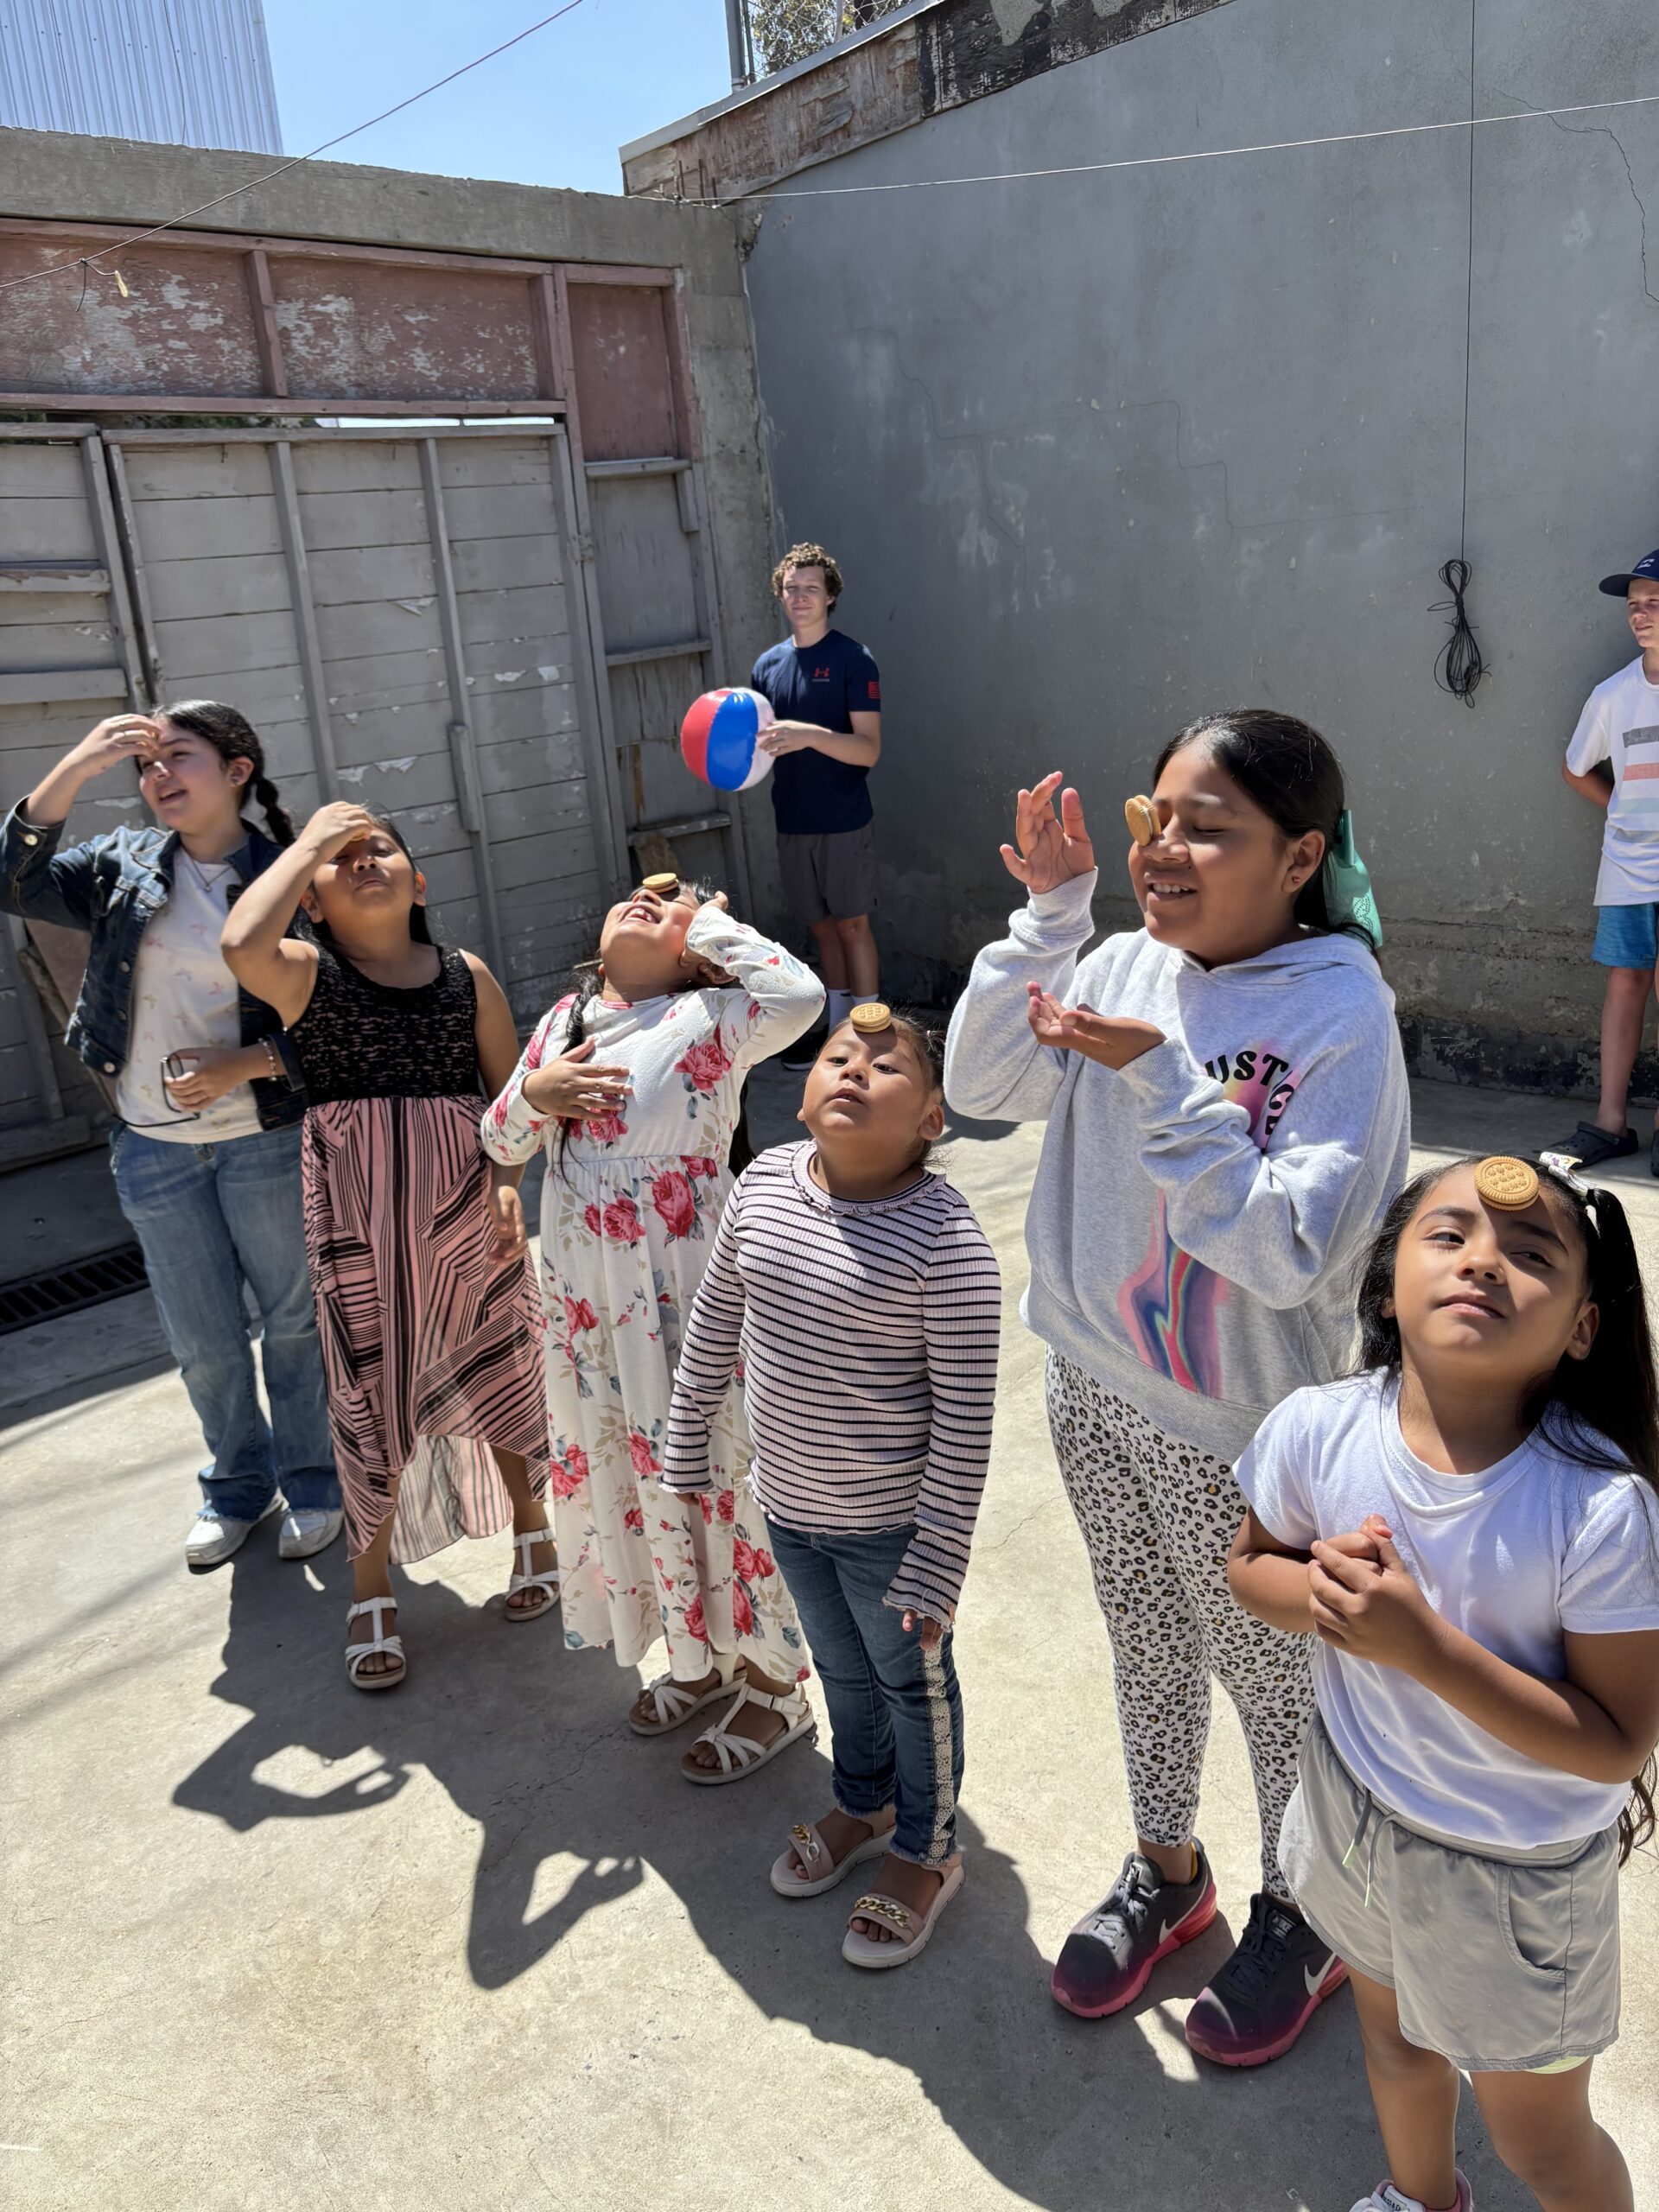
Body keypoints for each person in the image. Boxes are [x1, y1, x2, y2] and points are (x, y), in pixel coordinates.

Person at [944, 711, 1410, 2063]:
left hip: (1238, 1434)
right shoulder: (1118, 960)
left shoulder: (1340, 1015)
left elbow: (1285, 1253)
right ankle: (1168, 1869)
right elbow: (980, 1082)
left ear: (1301, 856)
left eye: (1210, 828)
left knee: (1274, 1689)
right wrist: (1047, 919)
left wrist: (1160, 1080)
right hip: (1093, 1384)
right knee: (1144, 1638)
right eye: (1157, 821)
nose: (1165, 850)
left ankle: (1304, 1910)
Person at [1230, 1154, 1659, 2212]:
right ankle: (1420, 2196)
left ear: (1582, 1328)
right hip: (1355, 1811)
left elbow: (1616, 1742)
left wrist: (1420, 1645)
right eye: (1450, 1233)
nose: (1484, 1261)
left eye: (1531, 1252)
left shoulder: (1600, 1509)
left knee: (1542, 2142)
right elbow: (1251, 1565)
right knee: (1394, 2045)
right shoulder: (1319, 1428)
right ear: (1387, 1285)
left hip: (1512, 1879)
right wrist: (1323, 1595)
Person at [664, 1008, 1000, 1967]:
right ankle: (864, 1801)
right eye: (837, 1056)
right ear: (803, 1094)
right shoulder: (763, 1184)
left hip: (895, 1531)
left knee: (913, 1687)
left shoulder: (947, 1242)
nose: (852, 1070)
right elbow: (715, 1321)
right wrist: (686, 1441)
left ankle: (928, 1851)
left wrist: (937, 1560)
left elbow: (966, 1420)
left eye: (885, 1066)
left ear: (931, 1120)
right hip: (791, 1507)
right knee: (843, 1673)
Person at [481, 874, 824, 1773]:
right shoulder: (564, 1022)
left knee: (724, 1470)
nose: (650, 896)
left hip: (688, 1296)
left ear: (699, 948)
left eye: (674, 904)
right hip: (593, 1316)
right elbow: (501, 1141)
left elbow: (801, 998)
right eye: (635, 894)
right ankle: (700, 1656)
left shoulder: (715, 1014)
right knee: (637, 1478)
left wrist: (712, 925)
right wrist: (536, 1092)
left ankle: (775, 1683)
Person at [220, 801, 552, 1689]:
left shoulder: (466, 976)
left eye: (380, 850)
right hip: (357, 1231)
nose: (363, 861)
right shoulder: (305, 974)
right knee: (366, 1392)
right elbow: (241, 943)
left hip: (466, 1220)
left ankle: (534, 1529)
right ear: (312, 898)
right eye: (341, 858)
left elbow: (510, 1103)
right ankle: (371, 1587)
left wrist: (508, 1184)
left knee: (499, 1366)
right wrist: (307, 843)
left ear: (420, 882)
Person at [0, 704, 340, 1567]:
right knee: (202, 1340)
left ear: (236, 770)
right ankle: (237, 1487)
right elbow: (15, 883)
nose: (157, 775)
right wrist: (78, 764)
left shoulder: (287, 876)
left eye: (178, 757)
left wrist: (246, 1064)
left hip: (265, 1135)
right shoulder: (122, 864)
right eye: (144, 765)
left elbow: (345, 1013)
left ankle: (312, 1478)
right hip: (154, 1144)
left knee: (293, 1322)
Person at [749, 542, 883, 1070]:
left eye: (811, 588)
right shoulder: (767, 666)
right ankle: (838, 1030)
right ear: (780, 595)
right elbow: (760, 745)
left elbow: (868, 750)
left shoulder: (853, 659)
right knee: (823, 929)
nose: (800, 596)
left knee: (852, 926)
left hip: (843, 819)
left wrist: (808, 735)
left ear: (830, 597)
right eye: (791, 588)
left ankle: (872, 1036)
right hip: (793, 818)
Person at [1554, 547, 1659, 1172]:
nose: (1640, 615)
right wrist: (1620, 806)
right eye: (1634, 606)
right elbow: (1575, 768)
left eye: (1654, 603)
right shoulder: (1614, 694)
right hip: (1628, 866)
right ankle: (1611, 1123)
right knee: (1626, 982)